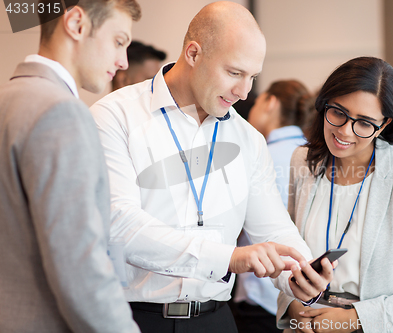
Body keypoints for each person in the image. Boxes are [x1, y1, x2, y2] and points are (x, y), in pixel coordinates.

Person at [89, 2, 333, 333]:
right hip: (132, 319)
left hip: (216, 321)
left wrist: (300, 274)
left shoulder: (249, 139)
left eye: (253, 77)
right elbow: (121, 226)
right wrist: (228, 258)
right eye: (234, 73)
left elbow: (274, 229)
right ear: (193, 53)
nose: (244, 92)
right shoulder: (114, 116)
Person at [276, 57, 393, 333]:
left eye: (364, 123)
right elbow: (287, 256)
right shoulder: (303, 161)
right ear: (324, 103)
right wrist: (292, 307)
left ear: (384, 125)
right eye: (338, 112)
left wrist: (356, 319)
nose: (344, 131)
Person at [0, 1, 142, 332]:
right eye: (119, 41)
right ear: (77, 23)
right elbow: (81, 267)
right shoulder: (61, 112)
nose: (123, 62)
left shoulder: (8, 98)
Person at [232, 80, 313, 333]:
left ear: (270, 102)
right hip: (308, 285)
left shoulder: (258, 155)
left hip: (260, 287)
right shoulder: (315, 155)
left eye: (256, 101)